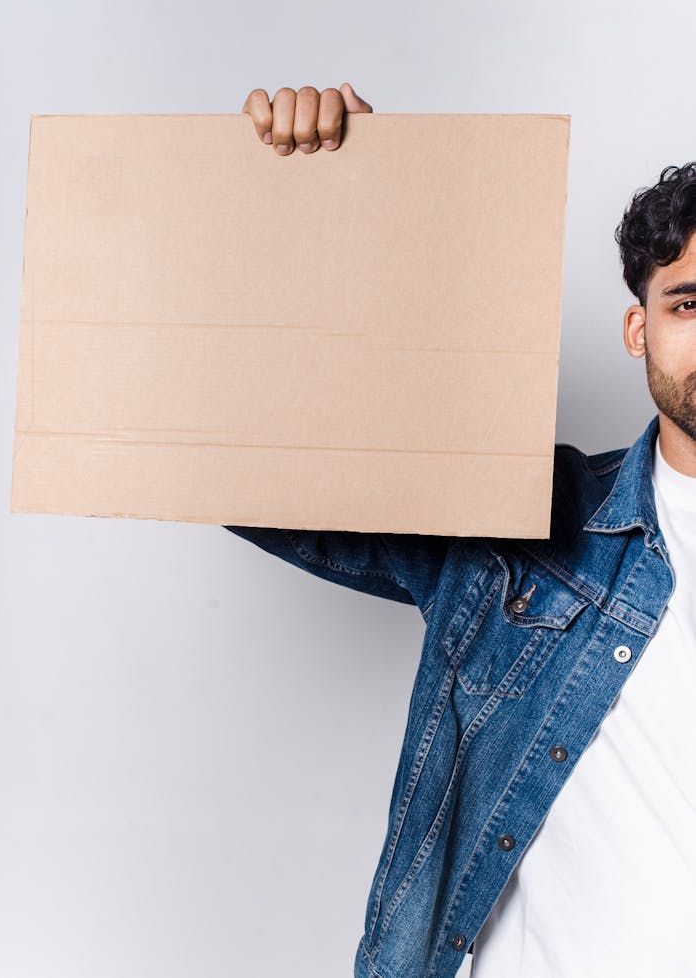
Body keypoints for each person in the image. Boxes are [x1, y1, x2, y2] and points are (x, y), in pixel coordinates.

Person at [227, 84, 696, 978]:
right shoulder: (523, 518)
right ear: (639, 329)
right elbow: (257, 475)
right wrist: (316, 197)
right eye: (690, 304)